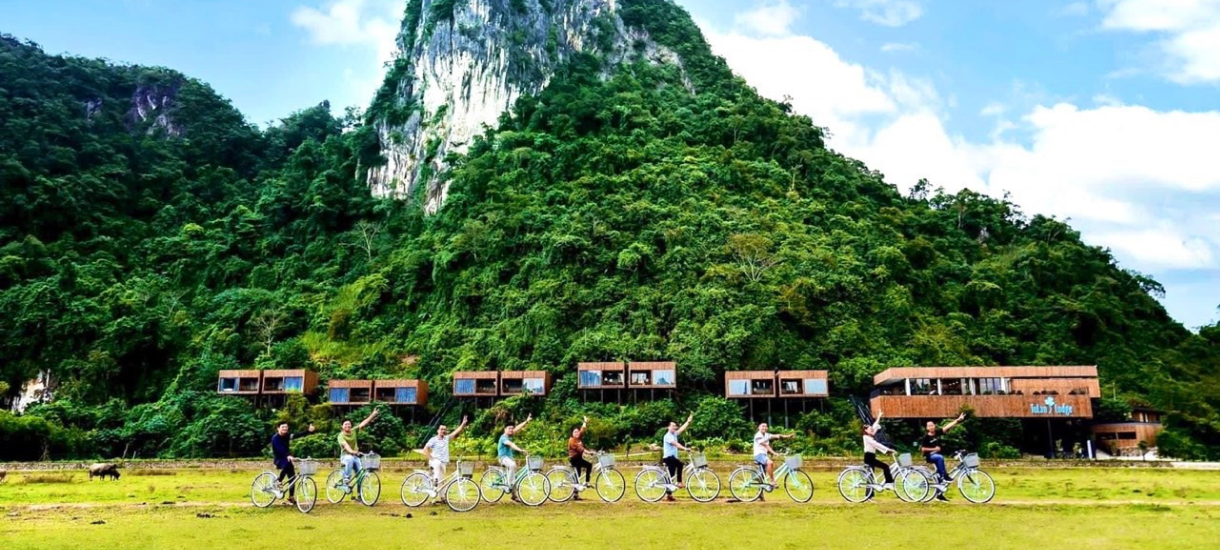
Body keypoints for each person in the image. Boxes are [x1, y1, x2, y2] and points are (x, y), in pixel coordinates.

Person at [920, 412, 966, 501]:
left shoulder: (937, 433)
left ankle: (939, 495)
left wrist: (957, 420)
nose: (931, 427)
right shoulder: (926, 437)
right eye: (929, 426)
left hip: (937, 456)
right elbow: (923, 449)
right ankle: (945, 476)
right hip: (930, 456)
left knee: (939, 473)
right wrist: (934, 449)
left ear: (934, 426)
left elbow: (947, 427)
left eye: (932, 425)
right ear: (927, 428)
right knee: (940, 458)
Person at [270, 421, 316, 505]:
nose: (285, 428)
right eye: (283, 427)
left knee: (292, 477)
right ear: (278, 428)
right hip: (279, 459)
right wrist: (288, 455)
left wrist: (308, 431)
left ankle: (291, 497)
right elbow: (280, 449)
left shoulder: (287, 436)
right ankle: (279, 481)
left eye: (286, 427)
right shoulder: (275, 438)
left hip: (287, 458)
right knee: (287, 465)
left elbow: (296, 435)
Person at [337, 408, 379, 490]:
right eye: (345, 424)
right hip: (345, 457)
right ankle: (346, 479)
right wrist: (353, 452)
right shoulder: (340, 436)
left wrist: (373, 415)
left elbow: (363, 424)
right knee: (350, 458)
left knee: (361, 474)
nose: (348, 425)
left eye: (349, 424)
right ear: (342, 426)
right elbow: (346, 446)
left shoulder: (353, 431)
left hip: (355, 456)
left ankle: (360, 494)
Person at [423, 415, 468, 487]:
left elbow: (456, 432)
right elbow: (425, 449)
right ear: (438, 431)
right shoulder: (433, 439)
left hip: (443, 463)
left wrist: (463, 424)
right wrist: (431, 459)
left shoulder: (446, 439)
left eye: (444, 429)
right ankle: (435, 480)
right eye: (441, 429)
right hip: (435, 461)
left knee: (441, 483)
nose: (443, 431)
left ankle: (440, 492)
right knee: (437, 464)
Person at [497, 413, 532, 501]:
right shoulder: (503, 438)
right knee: (513, 465)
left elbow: (518, 428)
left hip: (509, 458)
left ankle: (514, 495)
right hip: (503, 458)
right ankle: (509, 485)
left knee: (514, 476)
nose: (511, 430)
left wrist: (526, 421)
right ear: (505, 429)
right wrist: (520, 450)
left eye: (512, 428)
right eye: (509, 428)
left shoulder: (510, 435)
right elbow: (511, 444)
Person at [752, 422, 795, 491]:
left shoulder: (766, 435)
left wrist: (788, 436)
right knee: (770, 463)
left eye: (766, 426)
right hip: (759, 455)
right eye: (763, 426)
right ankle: (772, 481)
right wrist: (774, 453)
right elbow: (766, 445)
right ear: (759, 428)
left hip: (764, 455)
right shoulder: (758, 436)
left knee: (762, 477)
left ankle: (760, 494)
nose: (764, 428)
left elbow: (777, 436)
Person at [662, 413, 694, 502]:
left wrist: (688, 422)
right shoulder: (668, 436)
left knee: (671, 477)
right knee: (680, 464)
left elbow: (681, 429)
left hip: (672, 458)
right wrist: (684, 448)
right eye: (672, 426)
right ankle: (679, 482)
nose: (674, 427)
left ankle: (669, 496)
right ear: (668, 427)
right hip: (668, 458)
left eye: (675, 426)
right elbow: (675, 444)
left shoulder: (674, 434)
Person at [862, 411, 894, 490]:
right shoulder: (866, 437)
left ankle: (870, 494)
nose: (872, 430)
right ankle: (888, 483)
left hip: (871, 457)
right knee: (885, 466)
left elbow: (875, 425)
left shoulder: (870, 436)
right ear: (866, 430)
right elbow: (876, 444)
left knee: (871, 476)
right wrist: (887, 450)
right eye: (870, 429)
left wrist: (879, 416)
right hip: (869, 457)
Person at [568, 416, 593, 498]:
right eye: (575, 432)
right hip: (574, 459)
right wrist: (589, 452)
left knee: (578, 475)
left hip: (579, 458)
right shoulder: (572, 440)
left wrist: (585, 422)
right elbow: (581, 449)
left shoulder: (578, 438)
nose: (577, 433)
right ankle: (587, 482)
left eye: (577, 432)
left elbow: (582, 430)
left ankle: (575, 494)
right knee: (588, 464)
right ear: (572, 433)